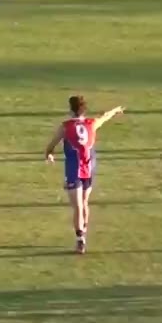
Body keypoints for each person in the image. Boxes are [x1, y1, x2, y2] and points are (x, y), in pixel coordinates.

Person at [44, 95, 124, 254]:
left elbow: (52, 145)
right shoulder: (91, 123)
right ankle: (83, 236)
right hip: (89, 168)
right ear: (84, 109)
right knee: (85, 203)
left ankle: (80, 239)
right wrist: (115, 110)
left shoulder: (66, 127)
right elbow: (104, 116)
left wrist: (49, 154)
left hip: (74, 169)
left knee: (78, 206)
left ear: (70, 109)